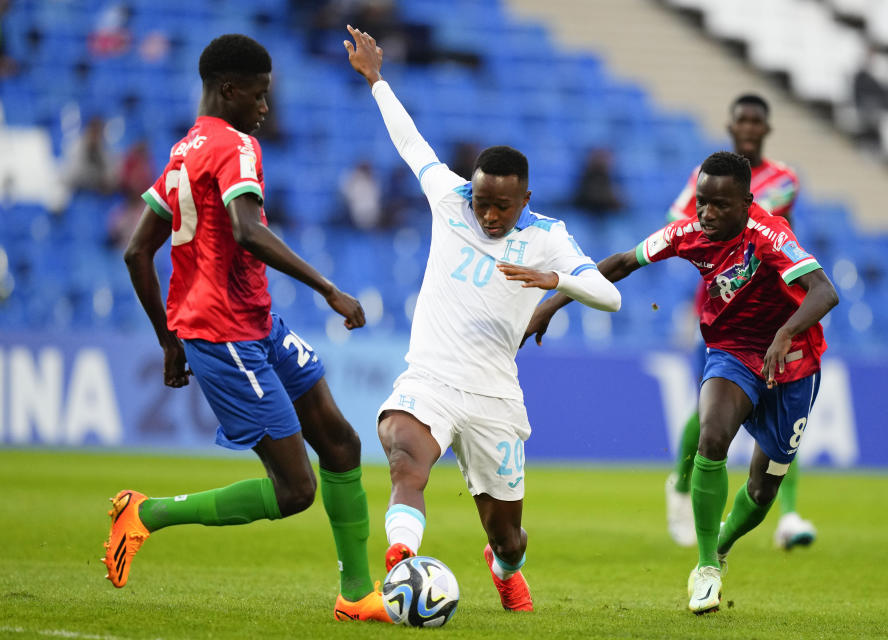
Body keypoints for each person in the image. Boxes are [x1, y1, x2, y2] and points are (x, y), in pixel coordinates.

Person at [103, 33, 391, 623]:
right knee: (295, 492)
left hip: (255, 322)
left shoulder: (184, 151)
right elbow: (247, 230)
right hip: (224, 336)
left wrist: (167, 337)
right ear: (230, 90)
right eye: (259, 96)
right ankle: (145, 513)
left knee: (341, 443)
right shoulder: (234, 146)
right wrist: (329, 289)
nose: (265, 108)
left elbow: (138, 252)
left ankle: (357, 596)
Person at [343, 26, 621, 612]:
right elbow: (412, 144)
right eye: (481, 201)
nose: (488, 214)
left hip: (495, 393)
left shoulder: (549, 238)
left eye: (501, 205)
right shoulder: (449, 199)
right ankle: (399, 566)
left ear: (524, 200)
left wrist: (557, 280)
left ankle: (503, 566)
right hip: (432, 377)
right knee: (404, 452)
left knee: (507, 534)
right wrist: (376, 81)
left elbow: (608, 296)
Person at [524, 151, 838, 613]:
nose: (706, 213)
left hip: (792, 363)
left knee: (762, 489)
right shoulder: (689, 233)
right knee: (711, 436)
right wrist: (555, 300)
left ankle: (724, 544)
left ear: (747, 202)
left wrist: (786, 332)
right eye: (702, 202)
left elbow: (825, 291)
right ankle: (707, 567)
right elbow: (621, 264)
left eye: (719, 205)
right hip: (731, 351)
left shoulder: (769, 232)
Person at [663, 94, 815, 553]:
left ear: (766, 128)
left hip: (776, 312)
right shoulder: (700, 177)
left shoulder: (785, 179)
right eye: (742, 120)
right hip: (719, 312)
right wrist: (707, 212)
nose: (749, 127)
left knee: (785, 415)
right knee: (707, 412)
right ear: (730, 126)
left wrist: (715, 205)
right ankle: (681, 485)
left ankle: (786, 514)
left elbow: (757, 216)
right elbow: (677, 219)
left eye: (757, 121)